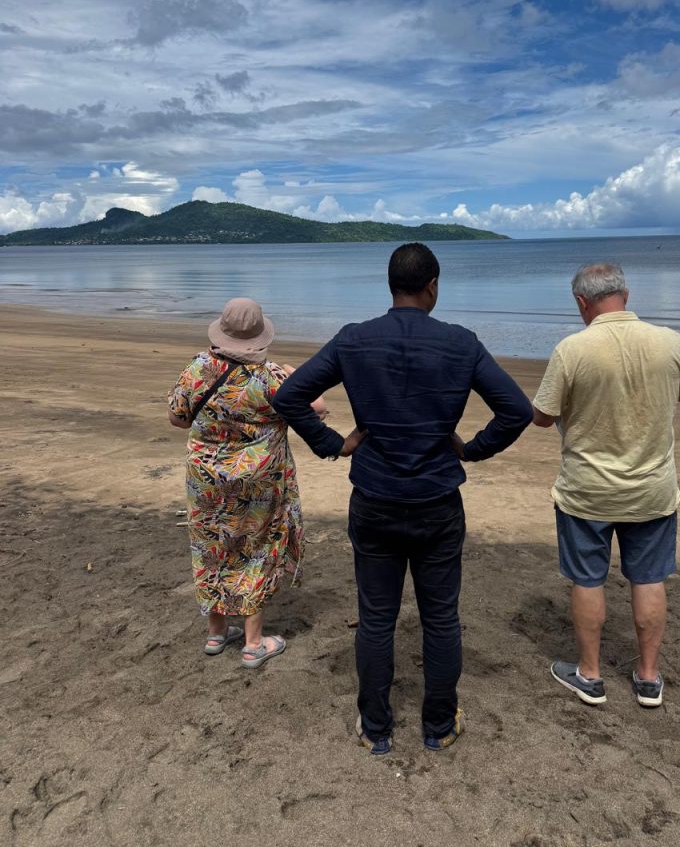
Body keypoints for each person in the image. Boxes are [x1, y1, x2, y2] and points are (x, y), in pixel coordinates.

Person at [273, 243, 533, 754]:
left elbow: (288, 397)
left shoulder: (355, 339)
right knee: (440, 617)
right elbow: (516, 410)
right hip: (437, 499)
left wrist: (336, 444)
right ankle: (437, 726)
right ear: (433, 286)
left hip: (374, 497)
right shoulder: (461, 343)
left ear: (391, 286)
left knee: (375, 617)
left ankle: (376, 729)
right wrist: (472, 449)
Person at [532, 263, 680, 707]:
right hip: (652, 488)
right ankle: (648, 677)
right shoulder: (669, 341)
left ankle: (590, 674)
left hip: (587, 489)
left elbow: (542, 415)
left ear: (581, 303)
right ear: (625, 294)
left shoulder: (573, 349)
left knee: (588, 580)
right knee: (648, 578)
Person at [167, 298, 327, 669]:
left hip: (206, 481)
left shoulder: (200, 367)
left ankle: (217, 633)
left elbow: (177, 418)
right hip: (259, 481)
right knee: (256, 548)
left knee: (212, 547)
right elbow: (315, 407)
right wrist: (292, 373)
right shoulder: (271, 377)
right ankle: (254, 643)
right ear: (259, 336)